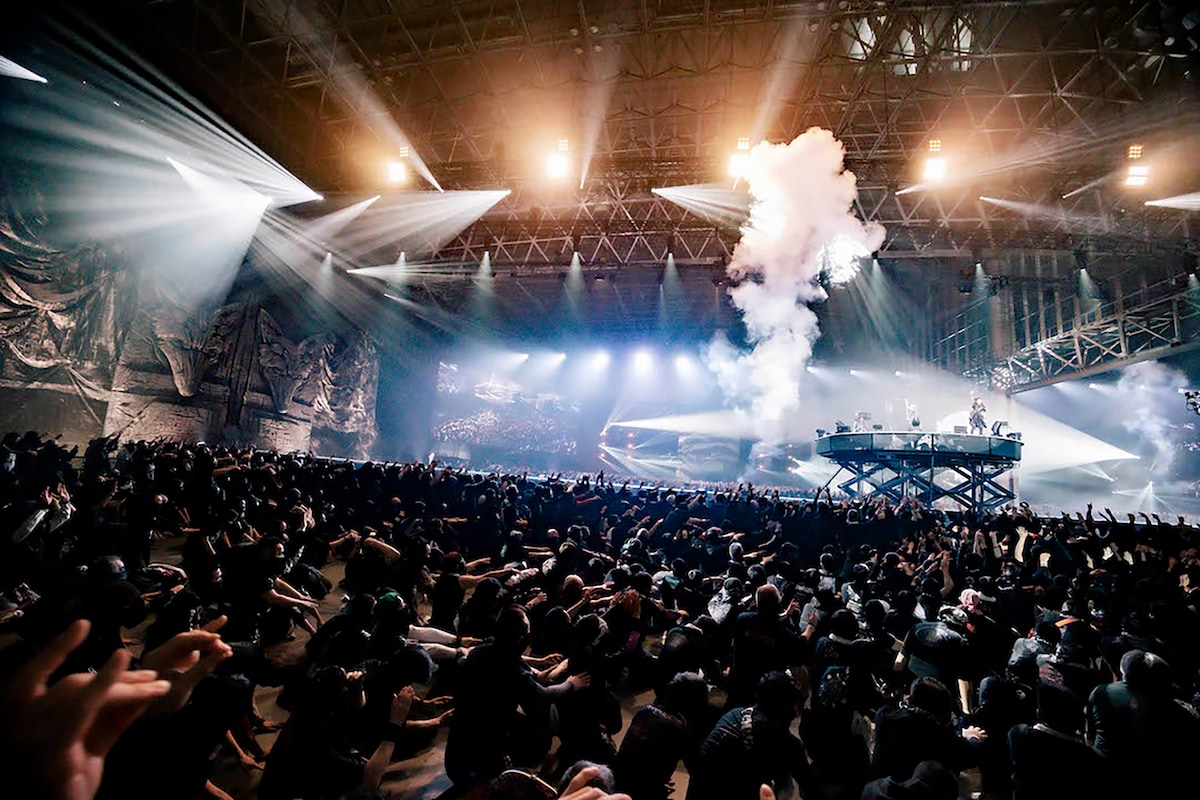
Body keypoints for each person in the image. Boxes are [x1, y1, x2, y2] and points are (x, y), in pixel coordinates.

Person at [443, 605, 589, 788]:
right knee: (540, 730)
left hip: (458, 746)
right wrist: (571, 684)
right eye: (526, 631)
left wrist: (552, 668)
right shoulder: (512, 672)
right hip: (476, 762)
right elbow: (542, 695)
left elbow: (529, 674)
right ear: (519, 639)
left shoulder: (481, 651)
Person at [687, 671, 821, 800]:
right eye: (795, 704)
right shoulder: (784, 741)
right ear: (785, 706)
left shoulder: (735, 714)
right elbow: (811, 789)